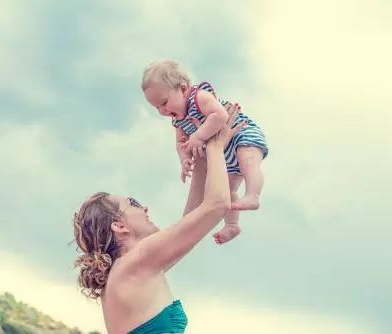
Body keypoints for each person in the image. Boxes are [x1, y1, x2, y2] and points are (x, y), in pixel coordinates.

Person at [73, 104, 246, 333]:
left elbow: (192, 219)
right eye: (133, 203)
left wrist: (200, 153)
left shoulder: (132, 268)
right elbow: (217, 205)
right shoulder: (136, 262)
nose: (144, 208)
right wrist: (216, 144)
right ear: (119, 225)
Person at [142, 60, 268, 244]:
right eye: (157, 108)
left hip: (241, 135)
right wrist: (184, 160)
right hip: (224, 154)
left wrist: (199, 136)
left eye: (164, 102)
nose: (163, 110)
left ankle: (253, 195)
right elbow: (181, 143)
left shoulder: (199, 97)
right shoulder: (178, 121)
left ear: (183, 89)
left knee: (248, 162)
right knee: (227, 190)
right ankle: (232, 225)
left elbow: (220, 115)